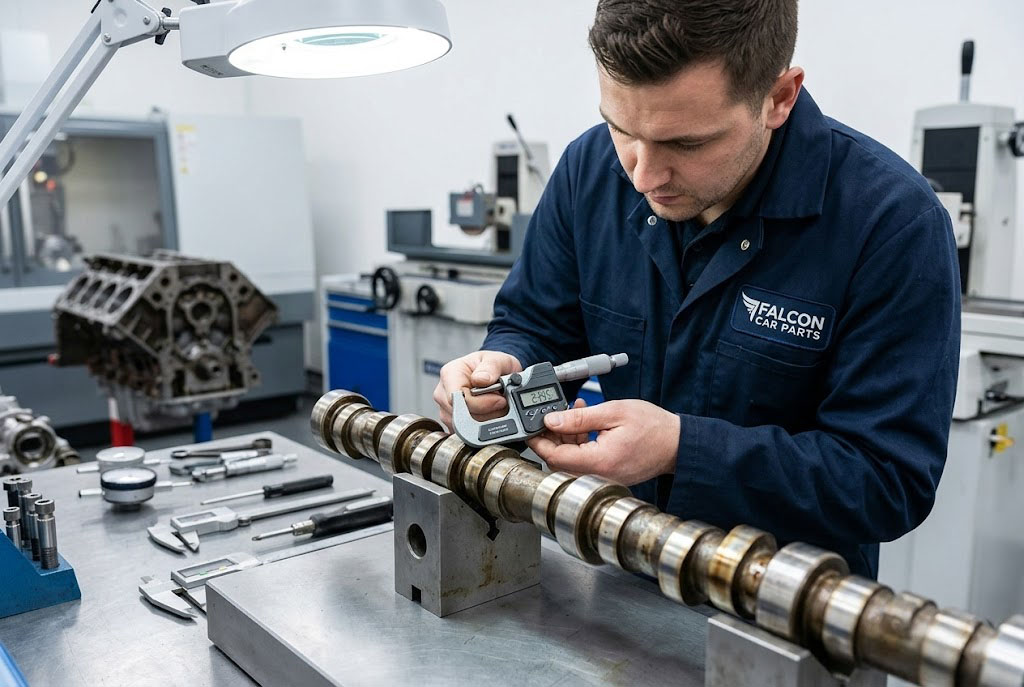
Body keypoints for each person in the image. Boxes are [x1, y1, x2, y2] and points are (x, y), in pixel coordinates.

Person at [433, 0, 960, 578]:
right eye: (622, 129)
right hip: (609, 575)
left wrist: (682, 450)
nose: (642, 175)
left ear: (779, 98)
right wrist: (506, 364)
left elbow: (886, 481)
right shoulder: (589, 169)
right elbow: (536, 323)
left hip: (783, 611)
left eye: (686, 145)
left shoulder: (890, 222)